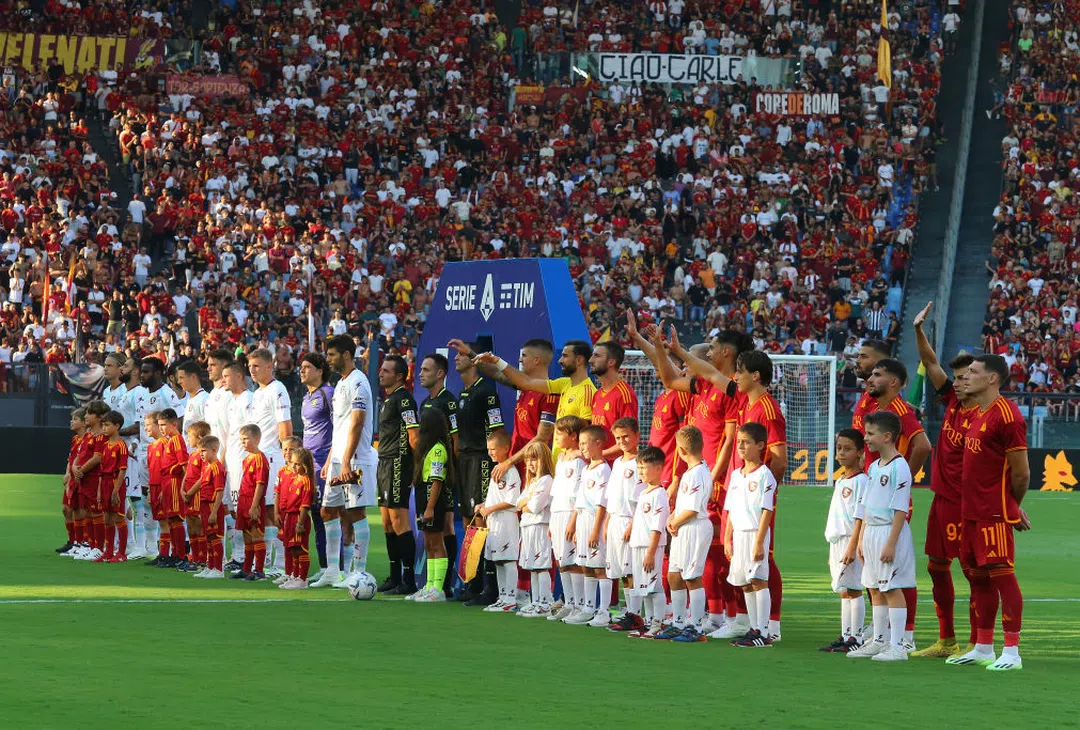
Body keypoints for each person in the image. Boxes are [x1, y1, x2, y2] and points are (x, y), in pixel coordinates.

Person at [668, 335, 788, 641]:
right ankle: (744, 622)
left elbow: (779, 459)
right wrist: (678, 350)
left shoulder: (768, 409)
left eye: (741, 372)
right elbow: (709, 373)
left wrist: (763, 489)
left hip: (756, 491)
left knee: (763, 558)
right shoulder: (743, 399)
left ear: (755, 376)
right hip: (740, 487)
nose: (734, 377)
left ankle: (770, 626)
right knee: (739, 558)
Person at [947, 355, 1029, 672]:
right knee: (977, 578)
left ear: (992, 378)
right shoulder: (978, 413)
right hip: (970, 511)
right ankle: (983, 646)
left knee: (1002, 576)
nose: (966, 377)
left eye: (973, 372)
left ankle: (1012, 652)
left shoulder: (1007, 417)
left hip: (993, 513)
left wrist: (1010, 507)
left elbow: (1021, 474)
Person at [910, 302, 978, 658]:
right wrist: (920, 330)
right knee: (937, 566)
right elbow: (932, 364)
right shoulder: (951, 397)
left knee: (973, 572)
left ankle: (976, 643)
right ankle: (946, 639)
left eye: (968, 376)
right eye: (960, 376)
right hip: (941, 501)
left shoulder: (989, 415)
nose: (961, 381)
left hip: (969, 505)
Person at [858, 356, 931, 650]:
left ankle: (905, 636)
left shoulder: (901, 412)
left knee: (895, 573)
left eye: (876, 374)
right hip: (874, 495)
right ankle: (882, 633)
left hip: (890, 503)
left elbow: (924, 444)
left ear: (893, 381)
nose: (870, 378)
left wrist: (903, 477)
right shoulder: (876, 408)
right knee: (876, 575)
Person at [846, 411, 916, 662]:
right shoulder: (874, 467)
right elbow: (864, 505)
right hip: (872, 532)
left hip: (889, 531)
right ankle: (879, 639)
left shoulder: (900, 467)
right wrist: (863, 537)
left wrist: (891, 542)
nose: (866, 438)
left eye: (870, 433)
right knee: (874, 587)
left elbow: (900, 509)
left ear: (887, 437)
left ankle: (899, 645)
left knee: (891, 587)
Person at [315, 337, 377, 589]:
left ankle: (358, 572)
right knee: (327, 510)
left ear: (347, 355)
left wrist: (346, 462)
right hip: (338, 456)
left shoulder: (359, 382)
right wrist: (332, 456)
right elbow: (340, 424)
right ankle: (332, 570)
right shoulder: (341, 383)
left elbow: (357, 422)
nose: (328, 359)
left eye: (331, 355)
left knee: (355, 512)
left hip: (355, 458)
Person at [447, 339, 505, 603]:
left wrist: (495, 460)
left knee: (481, 519)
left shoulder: (486, 392)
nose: (456, 359)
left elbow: (497, 429)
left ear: (473, 360)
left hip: (482, 460)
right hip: (465, 461)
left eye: (460, 355)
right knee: (470, 520)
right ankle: (472, 582)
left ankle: (489, 587)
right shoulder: (464, 392)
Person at [652, 425, 712, 643]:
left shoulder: (699, 473)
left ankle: (696, 627)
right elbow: (684, 505)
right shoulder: (690, 472)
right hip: (682, 527)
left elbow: (694, 508)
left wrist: (674, 521)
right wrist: (672, 518)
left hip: (695, 527)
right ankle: (678, 623)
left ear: (682, 450)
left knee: (692, 577)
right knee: (674, 575)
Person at [723, 422, 778, 648]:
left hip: (755, 533)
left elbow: (767, 510)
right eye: (740, 442)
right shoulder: (736, 475)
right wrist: (727, 537)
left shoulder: (765, 475)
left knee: (758, 580)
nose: (741, 446)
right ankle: (753, 628)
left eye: (746, 442)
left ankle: (763, 632)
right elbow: (731, 508)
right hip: (738, 534)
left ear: (760, 445)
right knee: (744, 583)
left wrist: (759, 542)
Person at [476, 339, 596, 441]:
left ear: (579, 360)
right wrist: (497, 361)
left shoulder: (587, 391)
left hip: (574, 463)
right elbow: (525, 382)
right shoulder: (563, 384)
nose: (560, 361)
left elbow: (585, 434)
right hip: (559, 460)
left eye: (565, 356)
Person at [375, 354, 421, 595]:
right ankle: (393, 577)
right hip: (384, 463)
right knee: (386, 522)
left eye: (386, 371)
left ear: (399, 376)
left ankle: (408, 579)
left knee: (399, 521)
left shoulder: (404, 400)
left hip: (398, 463)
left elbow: (414, 436)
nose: (381, 373)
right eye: (381, 370)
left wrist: (416, 467)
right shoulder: (388, 400)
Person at [820, 429, 868, 653]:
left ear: (860, 452)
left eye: (847, 449)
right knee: (843, 590)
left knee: (854, 588)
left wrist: (852, 546)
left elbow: (860, 516)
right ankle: (846, 634)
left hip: (851, 540)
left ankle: (855, 637)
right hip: (838, 541)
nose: (841, 453)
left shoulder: (861, 481)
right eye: (839, 448)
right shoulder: (840, 480)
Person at [247, 348, 293, 578]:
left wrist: (289, 460)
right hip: (258, 458)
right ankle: (270, 562)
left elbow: (285, 427)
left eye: (256, 366)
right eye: (250, 366)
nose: (252, 370)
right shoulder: (257, 393)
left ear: (269, 366)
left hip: (273, 456)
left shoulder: (278, 390)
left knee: (273, 510)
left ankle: (282, 561)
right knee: (263, 513)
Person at [417, 352, 460, 596]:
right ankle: (434, 584)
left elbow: (455, 440)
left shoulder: (448, 402)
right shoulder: (425, 403)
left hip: (443, 475)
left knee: (445, 527)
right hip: (428, 476)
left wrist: (448, 472)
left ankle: (444, 584)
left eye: (426, 370)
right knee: (433, 533)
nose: (421, 374)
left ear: (440, 374)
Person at [564, 425, 612, 626]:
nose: (581, 447)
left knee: (599, 567)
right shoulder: (585, 469)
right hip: (582, 520)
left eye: (585, 443)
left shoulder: (603, 469)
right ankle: (588, 608)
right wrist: (573, 524)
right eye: (581, 443)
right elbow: (580, 500)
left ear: (598, 443)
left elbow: (602, 503)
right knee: (586, 566)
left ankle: (604, 611)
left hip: (594, 522)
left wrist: (596, 530)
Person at [624, 446, 671, 638]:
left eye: (645, 467)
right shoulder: (644, 493)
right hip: (638, 545)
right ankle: (650, 622)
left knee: (654, 586)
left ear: (659, 468)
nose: (641, 472)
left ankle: (658, 623)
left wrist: (651, 552)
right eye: (639, 467)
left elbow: (657, 527)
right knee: (643, 587)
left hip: (651, 547)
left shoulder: (660, 494)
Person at [409, 408, 455, 603]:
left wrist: (430, 507)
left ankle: (438, 588)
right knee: (428, 542)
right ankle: (429, 585)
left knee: (437, 542)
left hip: (432, 497)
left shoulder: (438, 449)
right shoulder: (427, 448)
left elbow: (436, 481)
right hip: (423, 495)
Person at [603, 417, 644, 625]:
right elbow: (611, 495)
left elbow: (642, 497)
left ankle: (636, 614)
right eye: (618, 438)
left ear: (637, 435)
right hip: (615, 521)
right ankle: (629, 611)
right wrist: (608, 521)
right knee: (620, 571)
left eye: (626, 436)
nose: (622, 441)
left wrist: (633, 524)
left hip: (630, 520)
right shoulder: (617, 463)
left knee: (631, 570)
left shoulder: (640, 463)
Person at [546, 416, 587, 622]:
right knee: (562, 561)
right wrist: (552, 520)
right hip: (557, 513)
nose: (556, 437)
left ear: (573, 437)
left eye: (560, 433)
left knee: (573, 561)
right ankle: (569, 603)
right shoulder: (561, 458)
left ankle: (580, 605)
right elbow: (556, 492)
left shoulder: (579, 462)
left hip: (571, 514)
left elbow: (579, 495)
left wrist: (573, 520)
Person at [298, 353, 333, 583]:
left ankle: (334, 566)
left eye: (307, 367)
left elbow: (338, 425)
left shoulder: (328, 393)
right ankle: (324, 566)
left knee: (327, 514)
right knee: (315, 513)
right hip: (309, 464)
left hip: (324, 462)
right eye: (301, 367)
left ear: (320, 370)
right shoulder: (306, 396)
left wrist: (330, 458)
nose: (302, 371)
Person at [478, 429, 522, 611]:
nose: (490, 452)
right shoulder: (496, 469)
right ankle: (503, 597)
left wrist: (490, 508)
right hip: (494, 522)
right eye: (488, 449)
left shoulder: (511, 471)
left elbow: (512, 500)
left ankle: (511, 599)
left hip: (506, 521)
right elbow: (495, 497)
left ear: (505, 448)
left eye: (494, 449)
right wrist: (483, 505)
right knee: (497, 560)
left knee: (508, 559)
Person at [203, 349, 235, 562]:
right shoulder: (212, 395)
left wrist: (221, 459)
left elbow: (231, 431)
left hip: (228, 460)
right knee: (220, 508)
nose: (208, 368)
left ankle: (239, 556)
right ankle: (222, 557)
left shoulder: (229, 396)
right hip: (214, 461)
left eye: (212, 364)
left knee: (231, 509)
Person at [516, 441, 554, 617]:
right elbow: (518, 503)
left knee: (541, 565)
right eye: (528, 460)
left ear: (543, 460)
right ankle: (536, 601)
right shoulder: (531, 482)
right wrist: (526, 502)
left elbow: (535, 506)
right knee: (532, 566)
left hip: (540, 526)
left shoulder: (546, 480)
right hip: (528, 527)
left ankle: (545, 603)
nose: (530, 464)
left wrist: (527, 503)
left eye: (534, 459)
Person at [222, 361, 254, 570]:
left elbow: (252, 432)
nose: (223, 380)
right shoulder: (231, 400)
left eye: (226, 376)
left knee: (244, 510)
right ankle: (238, 555)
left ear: (239, 376)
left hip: (243, 462)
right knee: (233, 510)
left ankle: (247, 557)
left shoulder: (248, 399)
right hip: (231, 461)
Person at [587, 341, 640, 461]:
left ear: (611, 362)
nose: (590, 360)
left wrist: (600, 454)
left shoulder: (624, 394)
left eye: (597, 356)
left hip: (615, 467)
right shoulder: (598, 394)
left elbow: (629, 439)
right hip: (598, 464)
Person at [230, 423, 270, 581]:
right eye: (241, 440)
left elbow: (260, 484)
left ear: (257, 439)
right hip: (243, 500)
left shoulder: (260, 458)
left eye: (246, 439)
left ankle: (259, 570)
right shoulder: (246, 459)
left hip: (254, 501)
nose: (243, 443)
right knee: (246, 536)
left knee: (256, 535)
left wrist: (254, 506)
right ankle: (246, 569)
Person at [72, 400, 109, 562]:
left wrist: (81, 469)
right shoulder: (87, 435)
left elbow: (97, 458)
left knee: (96, 512)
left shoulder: (101, 436)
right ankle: (90, 544)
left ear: (99, 417)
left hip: (94, 478)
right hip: (83, 479)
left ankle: (99, 547)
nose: (86, 416)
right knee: (86, 511)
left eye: (89, 413)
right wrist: (74, 466)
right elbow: (79, 455)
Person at [278, 446, 315, 590]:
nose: (293, 466)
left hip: (299, 518)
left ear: (305, 465)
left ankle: (302, 579)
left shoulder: (306, 481)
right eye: (293, 463)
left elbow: (305, 505)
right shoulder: (294, 479)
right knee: (292, 548)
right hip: (289, 517)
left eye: (297, 464)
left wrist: (300, 523)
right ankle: (295, 575)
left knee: (300, 548)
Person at [157, 410, 190, 567]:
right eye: (159, 425)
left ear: (174, 424)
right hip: (167, 483)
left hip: (175, 483)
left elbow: (184, 464)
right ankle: (175, 553)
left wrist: (184, 487)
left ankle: (181, 556)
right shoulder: (169, 440)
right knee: (171, 520)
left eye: (164, 425)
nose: (161, 428)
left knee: (176, 519)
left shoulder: (177, 440)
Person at [98, 410, 130, 563]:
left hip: (114, 483)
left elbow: (122, 470)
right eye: (103, 425)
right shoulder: (104, 445)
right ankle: (108, 551)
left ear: (117, 426)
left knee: (118, 517)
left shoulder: (121, 445)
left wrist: (116, 490)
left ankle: (122, 553)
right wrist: (99, 491)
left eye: (107, 425)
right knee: (107, 518)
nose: (104, 428)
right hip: (104, 483)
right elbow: (101, 471)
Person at [179, 420, 211, 571]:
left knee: (199, 526)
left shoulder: (203, 456)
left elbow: (203, 476)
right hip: (187, 493)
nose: (188, 439)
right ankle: (194, 556)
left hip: (196, 494)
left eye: (190, 436)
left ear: (198, 437)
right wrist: (181, 488)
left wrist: (191, 492)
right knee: (191, 525)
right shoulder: (192, 454)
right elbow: (187, 474)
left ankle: (202, 559)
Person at [194, 435, 226, 579]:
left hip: (213, 506)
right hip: (205, 505)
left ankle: (218, 569)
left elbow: (219, 491)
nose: (201, 454)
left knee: (215, 537)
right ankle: (210, 566)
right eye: (200, 451)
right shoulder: (207, 467)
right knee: (208, 537)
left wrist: (214, 512)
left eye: (204, 450)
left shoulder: (217, 468)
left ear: (214, 450)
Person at [58, 407, 86, 555]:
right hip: (71, 478)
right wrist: (67, 473)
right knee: (66, 509)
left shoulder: (88, 438)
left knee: (79, 511)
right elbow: (71, 458)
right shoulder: (75, 439)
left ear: (83, 423)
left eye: (75, 419)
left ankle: (80, 542)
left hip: (80, 478)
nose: (71, 421)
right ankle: (72, 541)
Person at [177, 360, 209, 425]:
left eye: (181, 378)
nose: (179, 382)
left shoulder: (205, 399)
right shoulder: (189, 399)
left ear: (193, 377)